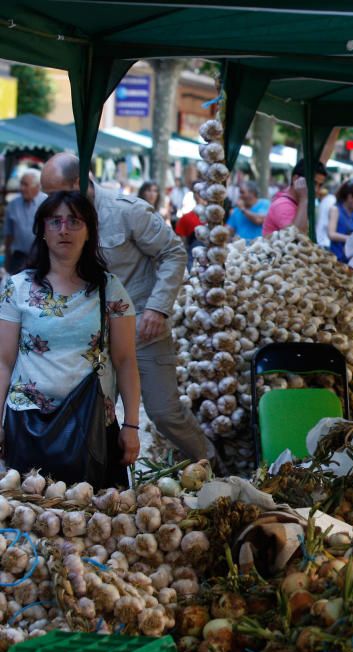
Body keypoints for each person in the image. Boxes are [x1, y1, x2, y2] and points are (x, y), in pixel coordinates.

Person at [40, 153, 213, 465]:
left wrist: (157, 309)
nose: (51, 202)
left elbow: (173, 252)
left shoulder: (126, 211)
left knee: (164, 411)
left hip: (142, 330)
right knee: (92, 416)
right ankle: (105, 487)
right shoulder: (59, 222)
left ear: (78, 183)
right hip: (92, 335)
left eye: (53, 193)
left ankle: (210, 461)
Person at [0, 191, 141, 481]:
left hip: (91, 427)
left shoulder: (110, 290)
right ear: (42, 232)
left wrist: (132, 426)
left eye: (74, 221)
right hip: (27, 423)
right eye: (55, 222)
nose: (64, 229)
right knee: (32, 518)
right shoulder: (16, 288)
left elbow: (126, 361)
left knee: (97, 519)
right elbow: (3, 361)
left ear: (89, 231)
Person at [262, 160, 327, 237]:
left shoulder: (295, 202)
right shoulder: (283, 205)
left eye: (320, 185)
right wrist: (304, 199)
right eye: (313, 183)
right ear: (296, 179)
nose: (316, 190)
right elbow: (297, 239)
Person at [4, 170, 47, 275]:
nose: (22, 188)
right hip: (18, 258)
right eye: (21, 184)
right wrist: (7, 260)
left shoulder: (47, 203)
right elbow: (8, 235)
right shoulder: (13, 205)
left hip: (41, 258)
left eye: (26, 185)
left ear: (37, 186)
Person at [327, 181, 353, 261]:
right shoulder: (335, 210)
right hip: (336, 258)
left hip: (351, 260)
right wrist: (350, 238)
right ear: (350, 197)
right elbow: (331, 234)